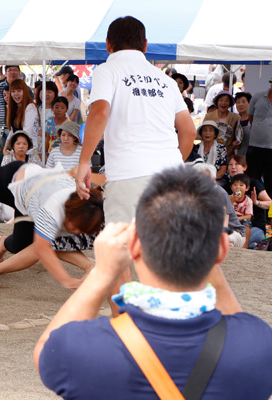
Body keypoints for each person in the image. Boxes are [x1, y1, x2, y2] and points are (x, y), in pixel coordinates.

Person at [35, 167, 272, 399]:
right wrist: (211, 251)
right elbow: (235, 322)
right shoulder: (258, 346)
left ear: (134, 247)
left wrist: (102, 273)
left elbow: (45, 352)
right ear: (221, 250)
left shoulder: (86, 349)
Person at [76, 17, 196, 311]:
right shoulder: (166, 81)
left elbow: (99, 112)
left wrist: (83, 162)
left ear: (108, 45)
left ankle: (125, 327)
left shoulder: (108, 69)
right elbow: (189, 130)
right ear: (145, 45)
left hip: (130, 174)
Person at [0, 118, 104, 289]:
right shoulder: (52, 210)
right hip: (12, 180)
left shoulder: (89, 202)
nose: (75, 232)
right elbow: (41, 249)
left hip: (32, 198)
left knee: (20, 244)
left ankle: (4, 244)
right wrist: (65, 280)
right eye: (75, 227)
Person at [224, 154, 272, 248]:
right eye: (230, 164)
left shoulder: (253, 184)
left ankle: (247, 246)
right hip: (232, 227)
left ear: (245, 167)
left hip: (254, 226)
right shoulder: (226, 188)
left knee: (244, 237)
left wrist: (257, 202)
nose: (233, 167)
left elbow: (271, 203)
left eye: (237, 164)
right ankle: (253, 246)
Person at [0, 65, 20, 159]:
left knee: (17, 155)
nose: (13, 72)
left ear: (19, 72)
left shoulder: (24, 88)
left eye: (15, 70)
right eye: (10, 70)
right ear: (5, 73)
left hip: (18, 128)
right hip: (1, 128)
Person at [8, 78, 40, 155]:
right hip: (17, 149)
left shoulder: (30, 107)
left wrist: (14, 150)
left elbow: (26, 132)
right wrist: (5, 149)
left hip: (28, 150)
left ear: (25, 91)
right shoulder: (14, 108)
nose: (16, 94)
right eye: (13, 91)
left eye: (19, 91)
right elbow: (12, 131)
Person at [204, 90, 240, 156]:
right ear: (217, 102)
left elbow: (238, 134)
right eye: (221, 100)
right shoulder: (209, 116)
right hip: (211, 153)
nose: (224, 103)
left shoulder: (236, 117)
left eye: (226, 100)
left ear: (230, 103)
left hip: (228, 153)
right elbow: (203, 134)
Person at [229, 173, 253, 247]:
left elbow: (248, 216)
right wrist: (232, 201)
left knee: (247, 223)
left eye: (241, 185)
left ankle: (245, 245)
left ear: (247, 188)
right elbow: (226, 212)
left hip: (241, 221)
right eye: (235, 185)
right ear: (231, 187)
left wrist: (237, 219)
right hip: (230, 220)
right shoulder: (228, 198)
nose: (238, 187)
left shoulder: (248, 201)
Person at [234, 92, 252, 156]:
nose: (240, 104)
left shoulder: (254, 120)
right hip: (239, 156)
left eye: (243, 102)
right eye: (238, 102)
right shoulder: (237, 122)